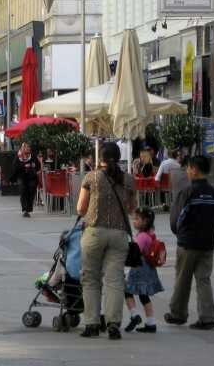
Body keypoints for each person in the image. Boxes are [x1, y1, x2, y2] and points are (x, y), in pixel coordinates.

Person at [76, 142, 136, 340]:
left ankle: (92, 323)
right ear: (118, 157)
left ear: (99, 157)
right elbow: (132, 208)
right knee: (115, 279)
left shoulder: (91, 177)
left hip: (94, 232)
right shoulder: (128, 179)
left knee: (91, 279)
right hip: (119, 234)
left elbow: (80, 208)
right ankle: (113, 324)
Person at [165, 156, 214, 330]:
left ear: (195, 170)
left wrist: (180, 234)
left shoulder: (188, 192)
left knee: (183, 280)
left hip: (188, 243)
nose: (187, 172)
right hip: (207, 243)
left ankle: (178, 314)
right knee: (204, 280)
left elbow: (176, 218)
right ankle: (207, 317)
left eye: (189, 168)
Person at [124, 208, 164, 333]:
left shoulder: (142, 236)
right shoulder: (150, 234)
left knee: (127, 291)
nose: (134, 221)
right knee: (144, 296)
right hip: (148, 269)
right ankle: (151, 322)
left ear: (145, 221)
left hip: (139, 269)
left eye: (137, 219)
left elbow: (135, 253)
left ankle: (134, 315)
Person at [11, 143, 40, 218]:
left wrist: (33, 166)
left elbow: (38, 166)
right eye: (26, 147)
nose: (28, 149)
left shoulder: (33, 156)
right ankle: (25, 210)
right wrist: (24, 166)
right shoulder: (18, 157)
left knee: (32, 189)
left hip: (31, 177)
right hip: (21, 177)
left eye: (29, 147)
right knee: (23, 190)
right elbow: (15, 168)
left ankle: (29, 208)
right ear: (22, 148)